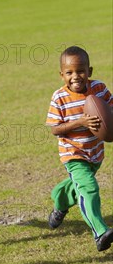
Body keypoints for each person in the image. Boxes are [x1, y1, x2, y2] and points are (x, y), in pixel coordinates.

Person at [46, 46, 113, 251]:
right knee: (89, 188)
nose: (76, 76)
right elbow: (55, 129)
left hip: (95, 153)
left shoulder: (99, 89)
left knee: (78, 186)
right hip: (73, 155)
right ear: (62, 75)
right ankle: (100, 232)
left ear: (89, 71)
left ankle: (60, 200)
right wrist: (80, 122)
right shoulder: (59, 98)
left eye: (81, 71)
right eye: (69, 72)